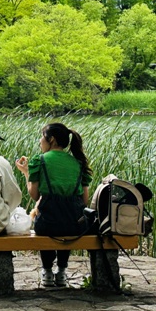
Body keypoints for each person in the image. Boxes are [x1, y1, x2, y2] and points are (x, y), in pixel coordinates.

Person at [16, 122, 93, 288]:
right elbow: (84, 200)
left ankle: (47, 272)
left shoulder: (40, 160)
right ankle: (62, 271)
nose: (39, 141)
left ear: (51, 139)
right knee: (66, 223)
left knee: (47, 223)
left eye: (42, 137)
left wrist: (26, 173)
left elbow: (34, 194)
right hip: (75, 226)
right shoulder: (78, 163)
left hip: (48, 225)